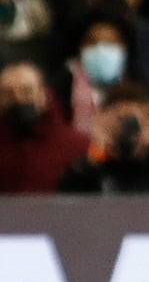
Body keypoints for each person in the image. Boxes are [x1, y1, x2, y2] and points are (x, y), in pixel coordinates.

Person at [0, 60, 88, 193]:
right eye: (8, 93)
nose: (18, 99)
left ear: (44, 95)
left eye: (27, 91)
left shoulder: (78, 146)